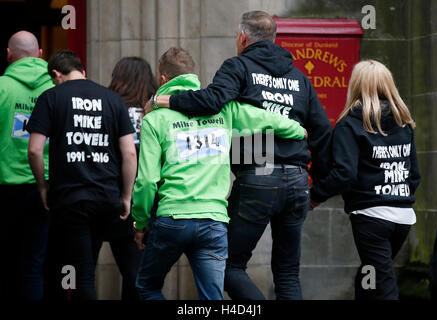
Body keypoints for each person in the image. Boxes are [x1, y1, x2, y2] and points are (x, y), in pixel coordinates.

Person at [145, 11, 332, 300]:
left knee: (229, 266)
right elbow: (321, 133)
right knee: (287, 273)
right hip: (296, 178)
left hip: (257, 166)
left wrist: (162, 99)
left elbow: (210, 102)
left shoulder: (239, 66)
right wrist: (317, 189)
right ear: (274, 39)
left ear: (243, 37)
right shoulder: (300, 79)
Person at [26, 50, 137, 300]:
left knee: (81, 273)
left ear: (56, 74)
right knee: (86, 265)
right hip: (106, 196)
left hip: (70, 198)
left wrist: (43, 187)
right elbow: (129, 153)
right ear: (82, 71)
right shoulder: (112, 99)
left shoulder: (51, 97)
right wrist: (126, 195)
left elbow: (34, 150)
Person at [310, 60, 421, 300]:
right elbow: (414, 175)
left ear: (356, 85)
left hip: (372, 218)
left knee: (384, 283)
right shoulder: (405, 123)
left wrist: (315, 195)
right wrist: (398, 195)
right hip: (403, 216)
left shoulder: (350, 123)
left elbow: (345, 174)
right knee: (369, 276)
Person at [89, 57, 157, 300]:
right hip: (141, 203)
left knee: (84, 274)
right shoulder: (154, 112)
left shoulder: (103, 106)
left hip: (103, 195)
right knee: (135, 277)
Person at [0, 31, 53, 300]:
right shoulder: (55, 89)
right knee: (35, 264)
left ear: (9, 54)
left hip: (5, 187)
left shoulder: (1, 87)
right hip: (45, 188)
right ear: (40, 54)